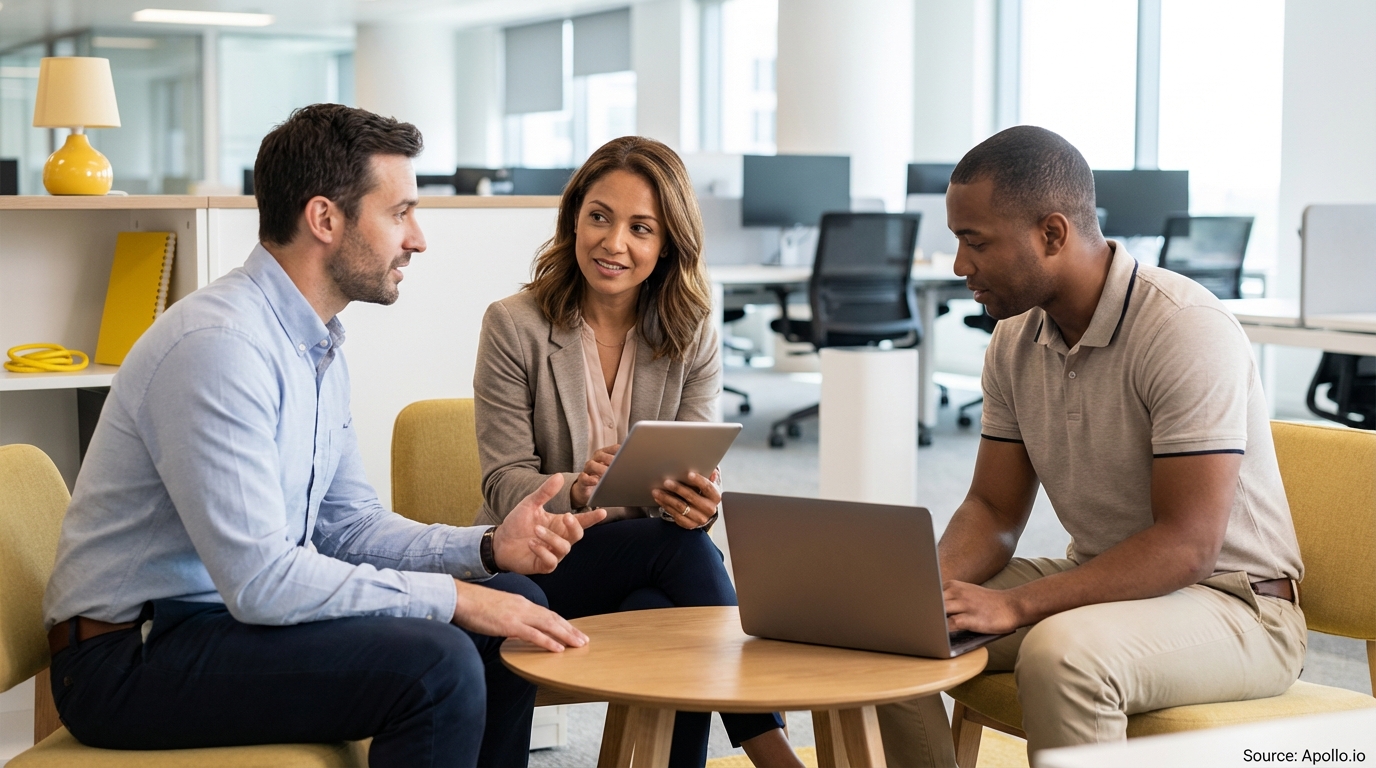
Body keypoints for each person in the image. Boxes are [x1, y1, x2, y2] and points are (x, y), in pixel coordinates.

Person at [42, 104, 605, 768]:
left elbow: (347, 527)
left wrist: (485, 548)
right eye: (400, 213)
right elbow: (263, 582)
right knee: (439, 663)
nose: (417, 238)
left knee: (513, 602)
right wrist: (451, 597)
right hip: (127, 656)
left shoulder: (316, 346)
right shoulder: (218, 348)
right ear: (325, 219)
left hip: (216, 622)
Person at [876, 126, 1306, 766]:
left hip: (1237, 604)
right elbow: (993, 511)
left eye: (975, 243)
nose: (961, 266)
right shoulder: (1015, 339)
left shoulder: (1183, 328)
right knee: (887, 629)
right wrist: (922, 593)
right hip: (1107, 582)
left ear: (1052, 234)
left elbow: (1187, 545)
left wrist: (1015, 604)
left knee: (1063, 656)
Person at [472, 136, 801, 768]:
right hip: (543, 562)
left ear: (667, 242)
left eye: (640, 227)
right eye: (599, 216)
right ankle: (767, 741)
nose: (613, 243)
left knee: (671, 592)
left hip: (652, 564)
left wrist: (699, 504)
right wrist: (576, 493)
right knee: (679, 555)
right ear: (574, 219)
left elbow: (697, 470)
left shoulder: (691, 329)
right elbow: (503, 480)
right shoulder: (514, 325)